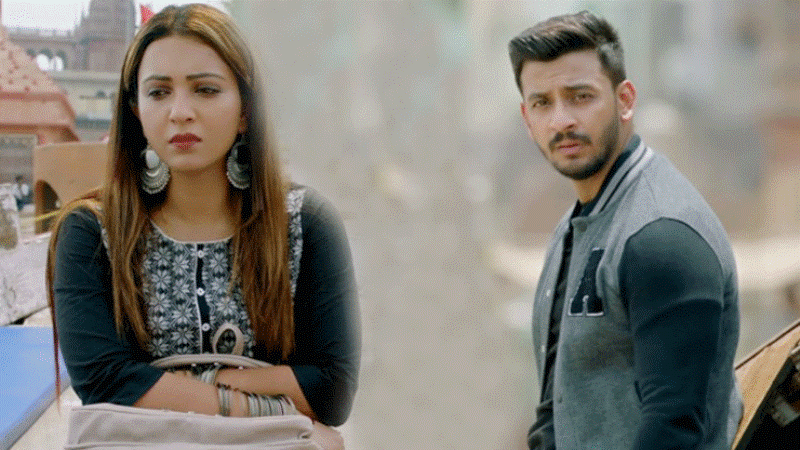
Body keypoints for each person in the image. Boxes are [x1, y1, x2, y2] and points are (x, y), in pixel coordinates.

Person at [46, 3, 359, 447]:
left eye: (206, 90)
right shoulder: (92, 232)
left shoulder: (306, 224)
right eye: (159, 92)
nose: (180, 112)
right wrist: (273, 409)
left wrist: (170, 382)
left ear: (246, 110)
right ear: (136, 110)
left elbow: (331, 391)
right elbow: (104, 382)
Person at [508, 11, 742, 449]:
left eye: (580, 97)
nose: (561, 120)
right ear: (527, 118)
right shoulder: (573, 227)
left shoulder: (661, 234)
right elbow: (553, 412)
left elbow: (674, 430)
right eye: (542, 103)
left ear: (625, 100)